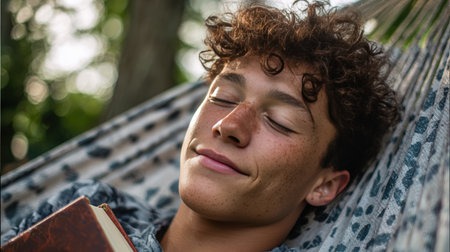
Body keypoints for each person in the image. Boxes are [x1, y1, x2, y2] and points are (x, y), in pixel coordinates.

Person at [1, 1, 400, 251]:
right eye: (222, 98)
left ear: (325, 184)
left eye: (279, 121)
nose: (229, 125)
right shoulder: (89, 210)